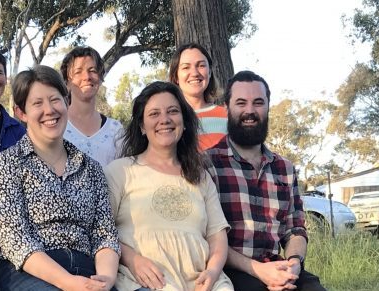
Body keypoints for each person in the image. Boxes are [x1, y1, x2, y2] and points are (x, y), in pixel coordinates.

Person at [0, 65, 120, 291]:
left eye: (55, 100)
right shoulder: (6, 165)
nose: (49, 110)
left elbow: (104, 234)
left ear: (67, 102)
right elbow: (15, 239)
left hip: (87, 268)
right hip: (28, 271)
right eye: (37, 103)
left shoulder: (91, 169)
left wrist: (105, 279)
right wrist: (67, 282)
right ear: (21, 113)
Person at [105, 81, 233, 291]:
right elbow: (101, 231)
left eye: (173, 111)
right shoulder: (120, 171)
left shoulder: (200, 176)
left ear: (184, 122)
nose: (164, 119)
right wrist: (133, 260)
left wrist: (212, 271)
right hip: (145, 282)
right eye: (154, 114)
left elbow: (217, 235)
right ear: (141, 126)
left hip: (203, 282)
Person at [206, 71, 326, 291]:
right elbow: (207, 237)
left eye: (258, 103)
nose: (250, 111)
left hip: (277, 265)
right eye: (241, 103)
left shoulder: (285, 169)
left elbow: (295, 229)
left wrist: (294, 264)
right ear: (226, 108)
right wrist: (258, 271)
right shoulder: (207, 164)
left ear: (268, 106)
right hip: (230, 271)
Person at [61, 47, 124, 166]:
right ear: (67, 82)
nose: (87, 77)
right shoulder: (56, 126)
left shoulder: (116, 131)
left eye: (93, 70)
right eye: (78, 72)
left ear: (100, 79)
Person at [168, 43, 227, 150]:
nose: (194, 73)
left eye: (201, 65)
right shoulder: (166, 119)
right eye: (186, 67)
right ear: (176, 76)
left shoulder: (228, 116)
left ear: (209, 72)